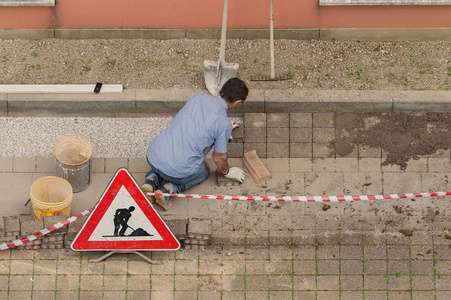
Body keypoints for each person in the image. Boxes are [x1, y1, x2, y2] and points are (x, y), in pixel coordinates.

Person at [142, 77, 249, 210]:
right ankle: (168, 190)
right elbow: (218, 157)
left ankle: (152, 179)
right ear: (237, 101)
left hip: (153, 155)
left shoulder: (199, 97)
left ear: (222, 88)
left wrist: (224, 130)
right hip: (175, 171)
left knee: (169, 156)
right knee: (204, 170)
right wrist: (227, 172)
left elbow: (197, 122)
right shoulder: (223, 123)